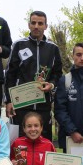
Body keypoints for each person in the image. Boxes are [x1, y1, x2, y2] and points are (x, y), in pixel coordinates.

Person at [5, 11, 63, 141]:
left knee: (43, 142)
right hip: (21, 105)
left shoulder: (53, 48)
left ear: (46, 26)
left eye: (40, 23)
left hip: (43, 105)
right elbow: (10, 74)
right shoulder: (19, 45)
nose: (36, 26)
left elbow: (58, 74)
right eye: (34, 23)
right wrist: (8, 101)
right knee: (19, 143)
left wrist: (51, 85)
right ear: (29, 25)